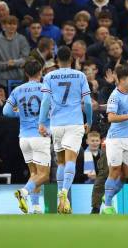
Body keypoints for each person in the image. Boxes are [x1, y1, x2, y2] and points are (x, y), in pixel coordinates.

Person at [39, 45, 92, 214]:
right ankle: (64, 193)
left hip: (57, 124)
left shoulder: (49, 76)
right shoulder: (80, 75)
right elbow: (89, 103)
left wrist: (42, 122)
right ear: (71, 59)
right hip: (75, 123)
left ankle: (61, 199)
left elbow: (46, 101)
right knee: (71, 161)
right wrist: (89, 120)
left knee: (60, 162)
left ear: (57, 60)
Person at [4, 60, 51, 214]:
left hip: (24, 137)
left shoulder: (17, 90)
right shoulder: (46, 88)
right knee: (44, 175)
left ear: (26, 73)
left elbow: (6, 112)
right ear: (41, 72)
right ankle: (23, 192)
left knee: (34, 174)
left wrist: (20, 114)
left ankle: (36, 207)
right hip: (40, 135)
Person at [101, 65, 128, 214]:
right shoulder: (115, 95)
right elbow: (111, 117)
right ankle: (107, 206)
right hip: (116, 139)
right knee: (114, 172)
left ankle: (108, 195)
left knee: (125, 174)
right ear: (122, 81)